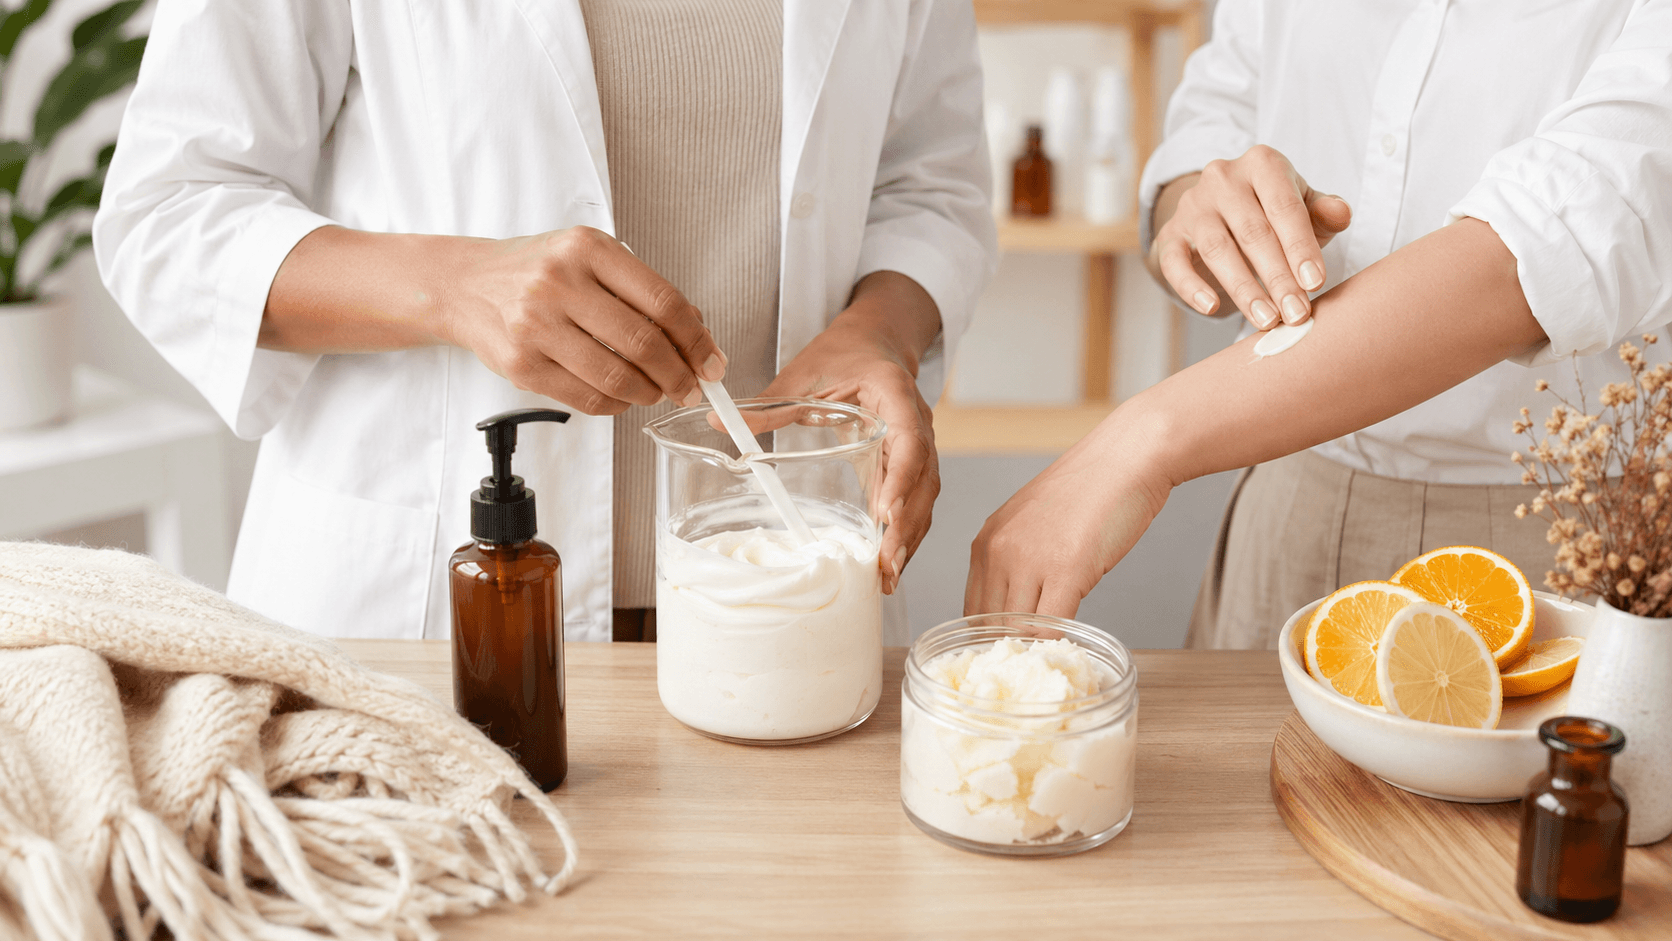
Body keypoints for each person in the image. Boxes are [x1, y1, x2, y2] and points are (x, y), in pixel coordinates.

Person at [93, 0, 996, 642]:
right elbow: (168, 214)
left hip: (788, 608)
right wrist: (455, 286)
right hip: (428, 617)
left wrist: (879, 328)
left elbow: (930, 185)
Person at [966, 0, 1672, 647]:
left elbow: (1573, 230)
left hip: (1566, 535)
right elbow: (1213, 117)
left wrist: (1140, 439)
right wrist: (1206, 218)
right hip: (1288, 497)